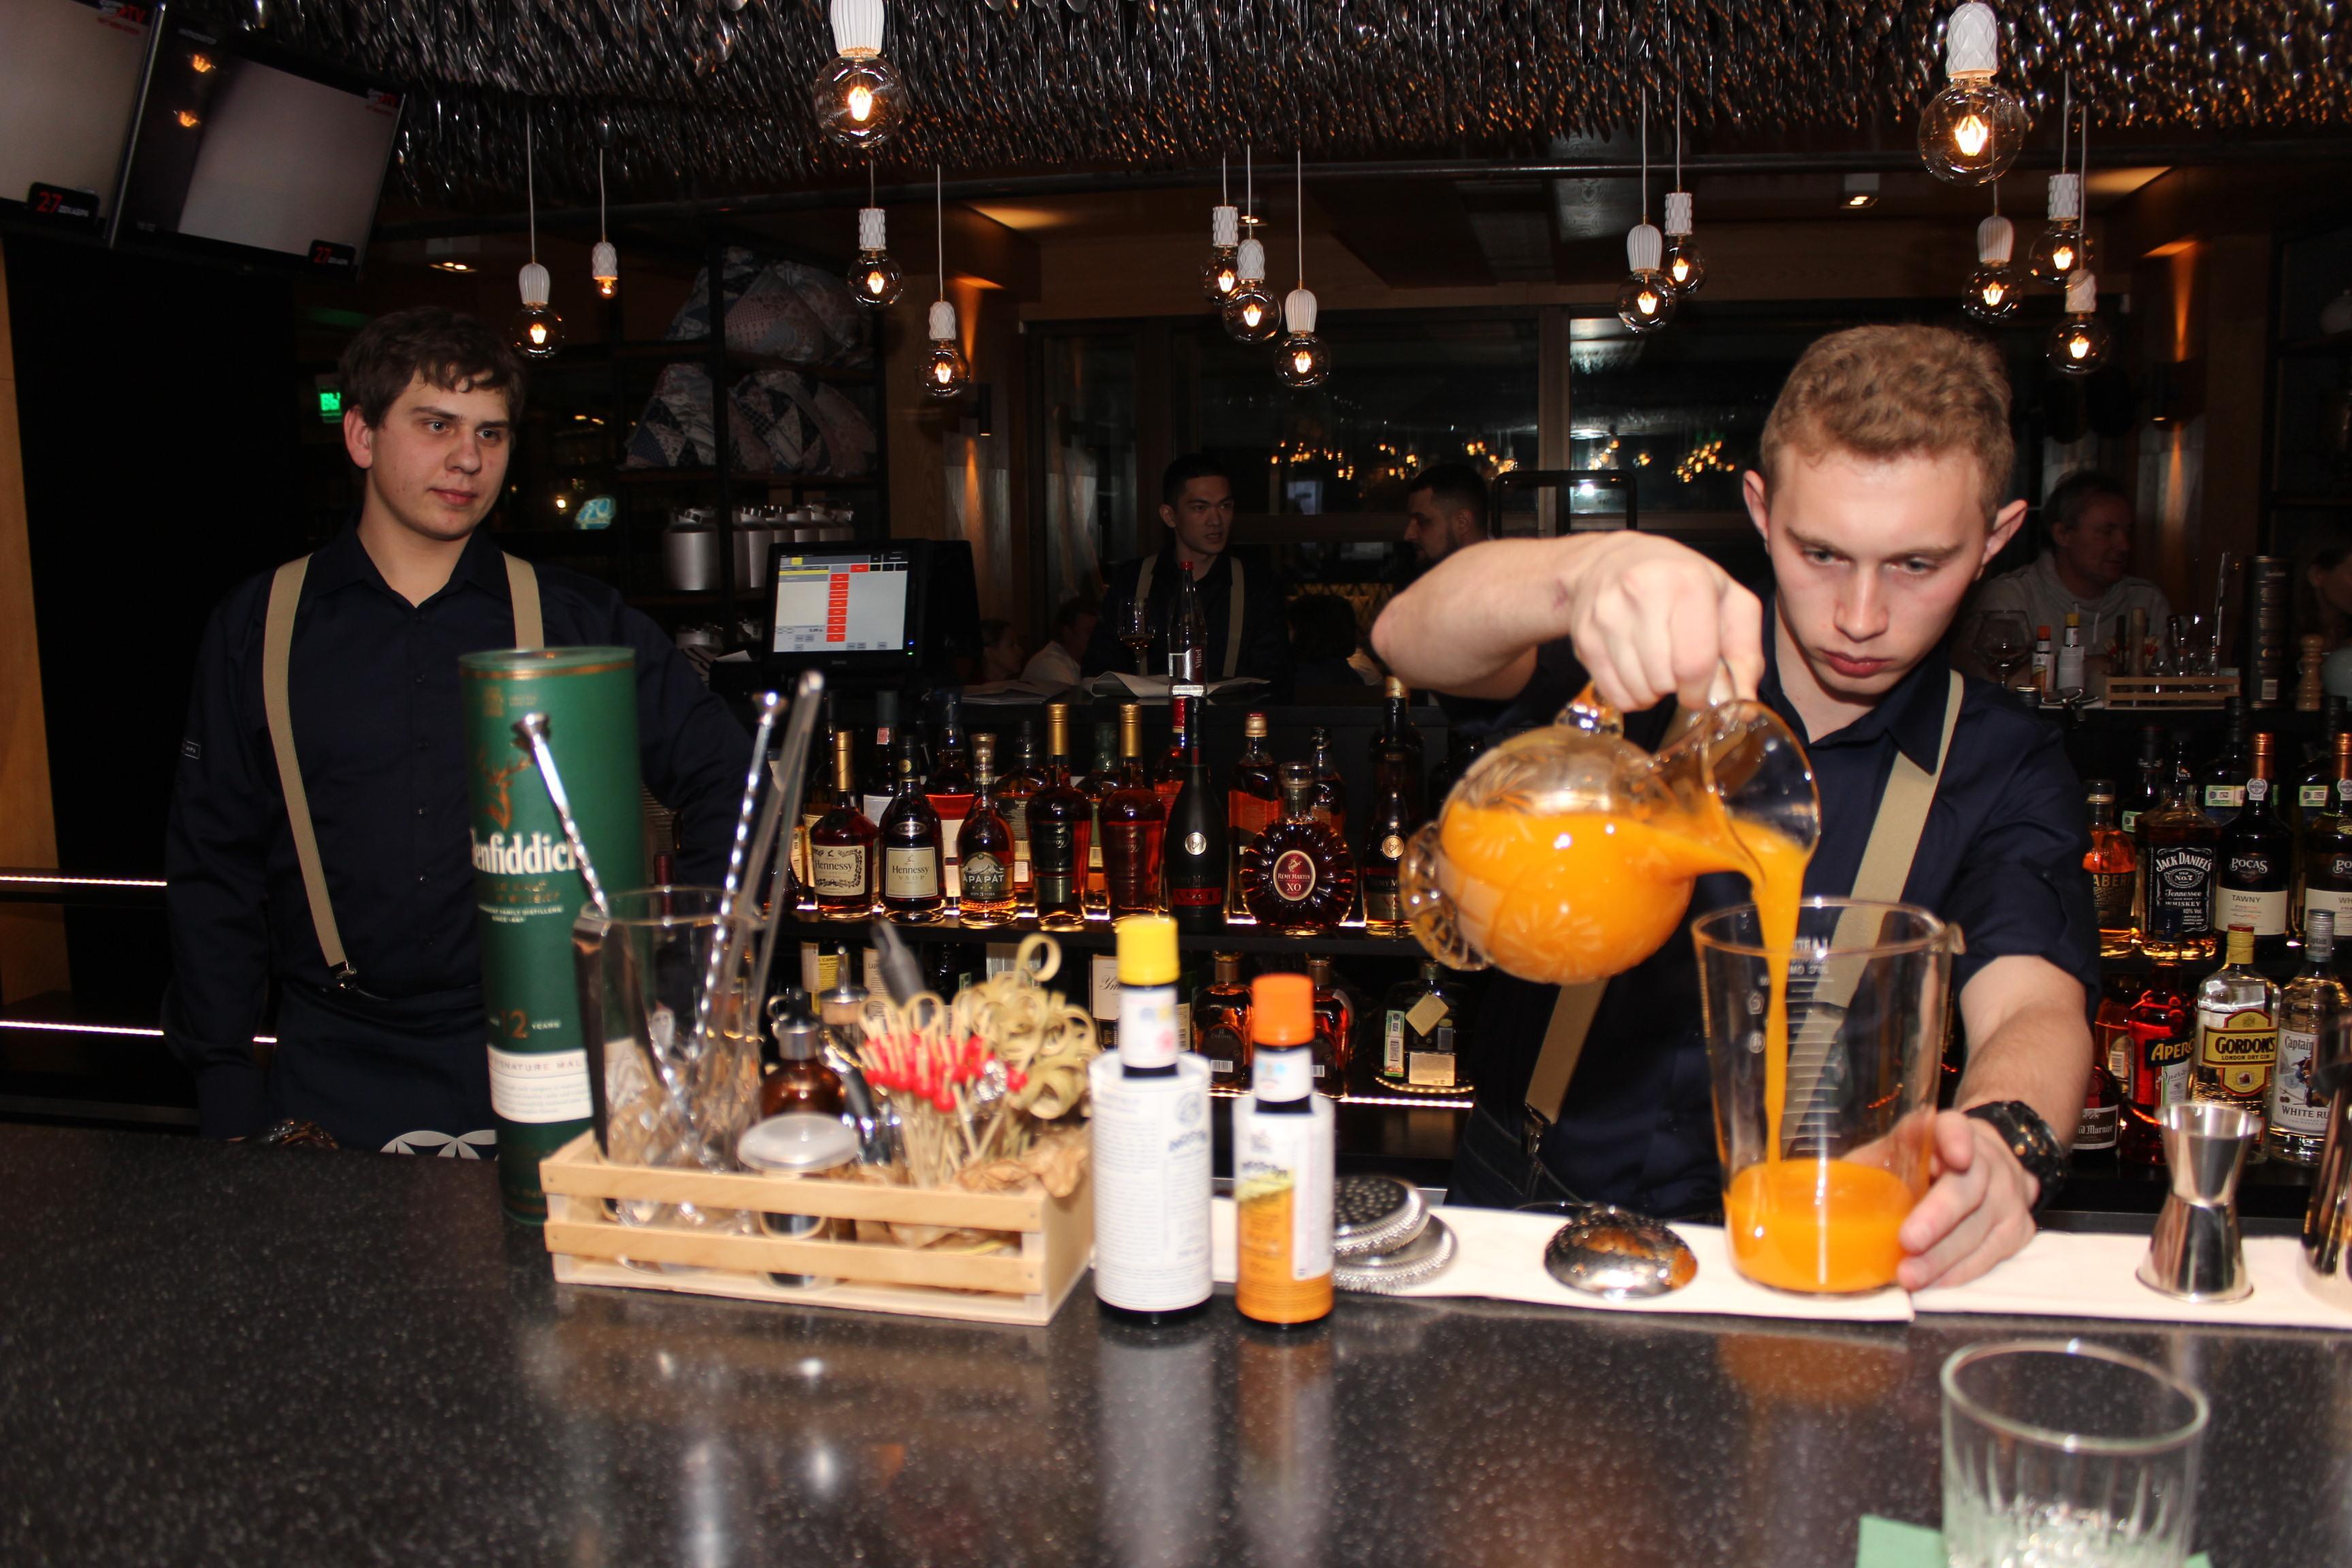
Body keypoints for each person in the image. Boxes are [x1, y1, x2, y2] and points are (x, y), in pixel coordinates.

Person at [1373, 324, 2096, 1290]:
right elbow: (1406, 637)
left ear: (1997, 539)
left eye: (1917, 564)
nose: (1861, 617)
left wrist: (2004, 1140)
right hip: (1530, 1209)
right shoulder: (1644, 655)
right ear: (1761, 508)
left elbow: (2034, 1001)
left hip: (1807, 1248)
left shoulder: (2002, 759)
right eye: (1821, 553)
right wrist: (1583, 574)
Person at [165, 308, 751, 1153]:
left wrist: (669, 968)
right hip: (331, 1065)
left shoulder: (574, 620)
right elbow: (212, 867)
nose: (469, 458)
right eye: (436, 425)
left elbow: (735, 777)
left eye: (491, 433)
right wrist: (223, 1079)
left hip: (550, 1050)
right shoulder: (261, 626)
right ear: (361, 435)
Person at [1081, 454, 1293, 690]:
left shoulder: (1258, 585)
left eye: (1225, 506)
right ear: (1169, 516)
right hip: (1151, 714)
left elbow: (1276, 681)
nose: (1216, 520)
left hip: (1229, 714)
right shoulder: (1132, 580)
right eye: (1200, 508)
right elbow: (1098, 673)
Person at [1955, 470, 2169, 670]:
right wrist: (2079, 671)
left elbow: (2173, 677)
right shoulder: (2013, 597)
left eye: (2127, 532)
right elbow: (1978, 674)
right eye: (2107, 532)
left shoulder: (2146, 601)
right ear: (2062, 534)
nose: (2124, 545)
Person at [1402, 462, 1490, 566]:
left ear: (1462, 523)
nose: (1408, 535)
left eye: (1422, 522)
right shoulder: (1428, 572)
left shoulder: (1503, 573)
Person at [1019, 595, 1098, 688]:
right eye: (1090, 632)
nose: (1097, 638)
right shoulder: (1052, 666)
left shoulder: (1082, 662)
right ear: (1068, 634)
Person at [977, 618, 1026, 683]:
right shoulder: (972, 687)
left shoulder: (1024, 684)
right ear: (989, 652)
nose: (1021, 652)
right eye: (1011, 645)